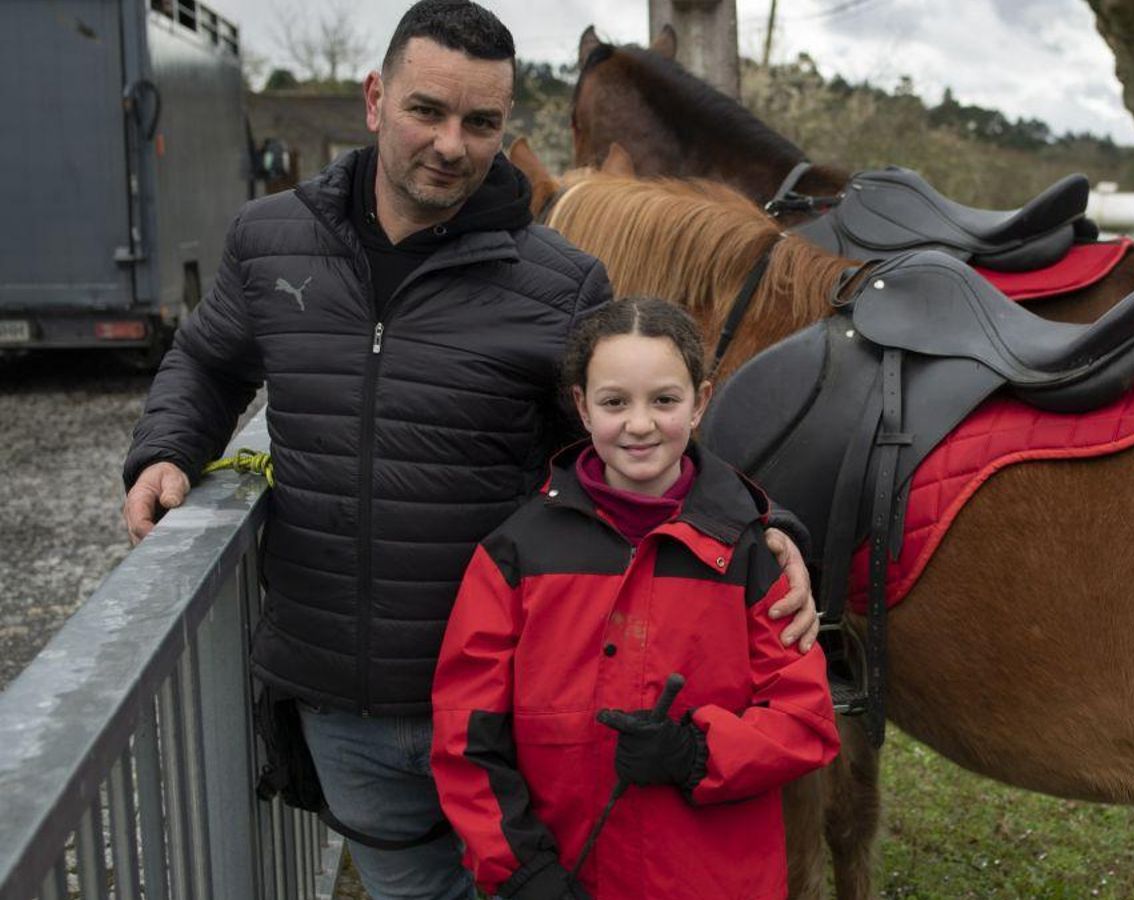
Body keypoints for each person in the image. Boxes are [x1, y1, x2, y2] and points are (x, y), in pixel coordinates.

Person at [118, 3, 817, 897]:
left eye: (480, 122)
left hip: (516, 711)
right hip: (346, 705)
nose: (451, 143)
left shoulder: (560, 281)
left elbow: (641, 449)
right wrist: (167, 449)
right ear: (375, 99)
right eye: (427, 111)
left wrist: (766, 522)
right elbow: (210, 360)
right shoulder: (270, 241)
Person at [432, 298, 840, 899]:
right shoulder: (516, 553)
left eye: (665, 401)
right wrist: (519, 870)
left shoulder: (753, 555)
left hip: (716, 881)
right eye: (615, 402)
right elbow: (466, 733)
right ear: (581, 405)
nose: (641, 424)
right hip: (568, 874)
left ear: (700, 402)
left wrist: (697, 753)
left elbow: (806, 721)